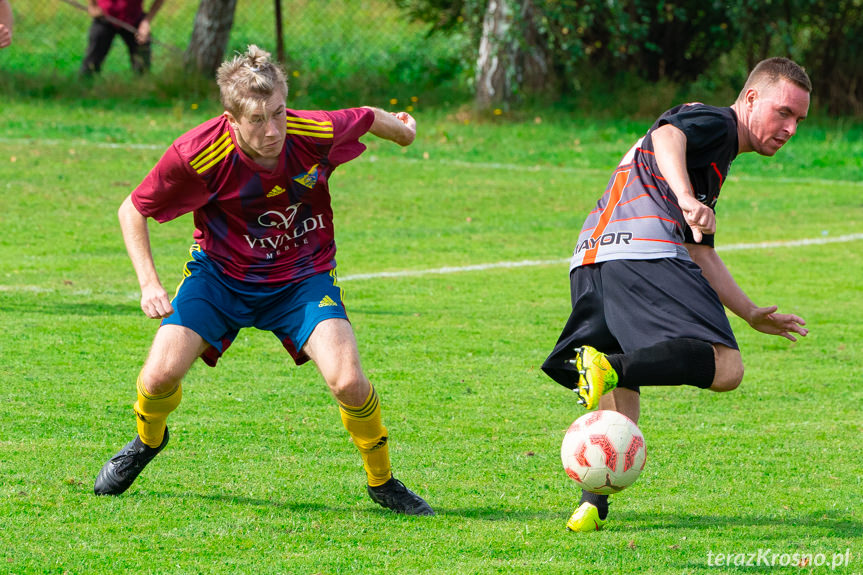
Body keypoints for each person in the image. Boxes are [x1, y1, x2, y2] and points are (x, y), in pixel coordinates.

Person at [93, 45, 434, 516]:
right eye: (257, 120)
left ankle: (382, 482)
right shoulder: (197, 153)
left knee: (349, 382)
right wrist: (149, 284)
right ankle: (147, 442)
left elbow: (366, 116)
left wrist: (404, 135)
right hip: (219, 277)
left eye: (278, 113)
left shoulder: (310, 129)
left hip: (302, 276)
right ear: (232, 119)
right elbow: (132, 209)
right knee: (158, 376)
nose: (272, 130)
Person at [541, 57, 811, 532]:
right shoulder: (719, 123)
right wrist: (686, 197)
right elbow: (667, 133)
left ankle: (591, 504)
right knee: (725, 367)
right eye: (783, 112)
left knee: (620, 399)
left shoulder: (713, 159)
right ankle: (610, 365)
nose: (789, 128)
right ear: (750, 99)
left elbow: (699, 252)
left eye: (798, 120)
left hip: (590, 258)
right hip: (642, 250)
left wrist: (749, 312)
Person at [80, 0, 164, 76]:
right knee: (90, 65)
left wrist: (146, 21)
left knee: (142, 68)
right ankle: (84, 89)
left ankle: (142, 89)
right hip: (105, 17)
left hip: (134, 19)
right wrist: (92, 5)